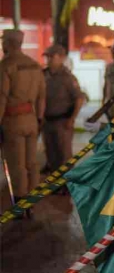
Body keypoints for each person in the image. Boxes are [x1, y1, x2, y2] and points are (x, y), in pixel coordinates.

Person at [0, 29, 46, 213]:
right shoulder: (34, 65)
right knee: (31, 161)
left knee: (16, 162)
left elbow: (1, 97)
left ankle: (20, 202)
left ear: (8, 44)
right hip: (31, 119)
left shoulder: (6, 66)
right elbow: (42, 97)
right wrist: (40, 118)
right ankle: (33, 199)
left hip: (12, 120)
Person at [41, 44, 84, 174]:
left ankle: (66, 185)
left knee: (64, 156)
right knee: (51, 155)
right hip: (47, 121)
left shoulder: (68, 78)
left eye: (51, 56)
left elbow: (79, 98)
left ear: (61, 58)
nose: (48, 60)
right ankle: (55, 185)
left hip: (62, 121)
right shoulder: (43, 75)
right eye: (47, 57)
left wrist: (72, 119)